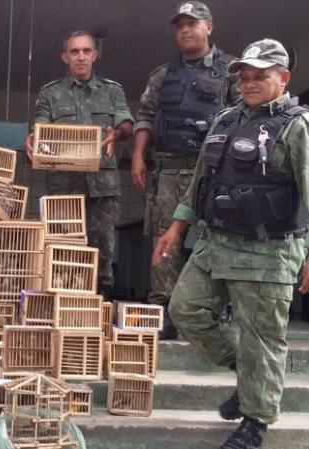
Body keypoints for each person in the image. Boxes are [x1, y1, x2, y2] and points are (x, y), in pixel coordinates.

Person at [153, 39, 309, 449]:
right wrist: (175, 228)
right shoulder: (225, 121)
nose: (249, 84)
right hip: (214, 245)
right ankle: (246, 370)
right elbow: (200, 182)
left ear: (283, 78)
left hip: (267, 252)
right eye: (245, 77)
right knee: (185, 310)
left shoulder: (299, 126)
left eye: (260, 76)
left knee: (263, 339)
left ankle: (255, 424)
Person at [131, 1, 238, 339]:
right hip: (170, 171)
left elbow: (243, 120)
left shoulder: (234, 71)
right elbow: (146, 115)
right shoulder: (163, 75)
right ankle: (165, 312)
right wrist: (137, 155)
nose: (186, 30)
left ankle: (217, 310)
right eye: (180, 25)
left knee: (217, 240)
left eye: (193, 23)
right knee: (165, 242)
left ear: (210, 27)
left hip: (215, 174)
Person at [25, 30, 134, 295]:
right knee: (63, 250)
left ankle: (100, 303)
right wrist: (34, 138)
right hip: (64, 185)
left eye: (86, 51)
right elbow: (40, 126)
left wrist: (117, 133)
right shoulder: (51, 93)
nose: (81, 57)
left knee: (103, 249)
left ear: (95, 55)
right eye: (74, 52)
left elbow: (127, 124)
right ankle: (66, 305)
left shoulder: (112, 90)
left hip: (103, 185)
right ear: (65, 57)